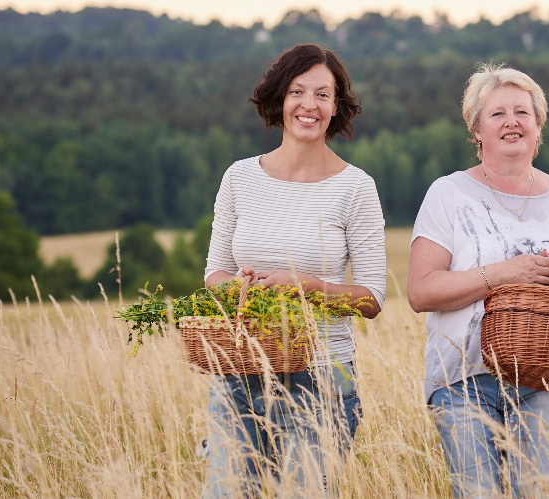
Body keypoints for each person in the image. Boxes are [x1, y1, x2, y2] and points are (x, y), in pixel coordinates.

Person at [406, 62, 549, 498]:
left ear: (538, 126)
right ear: (477, 130)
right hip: (463, 380)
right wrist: (503, 274)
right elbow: (420, 291)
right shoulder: (448, 194)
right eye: (497, 114)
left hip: (543, 379)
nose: (511, 122)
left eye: (522, 112)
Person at [201, 44, 386, 497]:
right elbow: (215, 274)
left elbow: (372, 298)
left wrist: (309, 286)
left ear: (336, 106)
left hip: (322, 379)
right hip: (240, 371)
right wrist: (240, 288)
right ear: (280, 99)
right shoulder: (239, 178)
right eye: (298, 91)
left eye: (323, 95)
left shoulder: (356, 188)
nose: (309, 105)